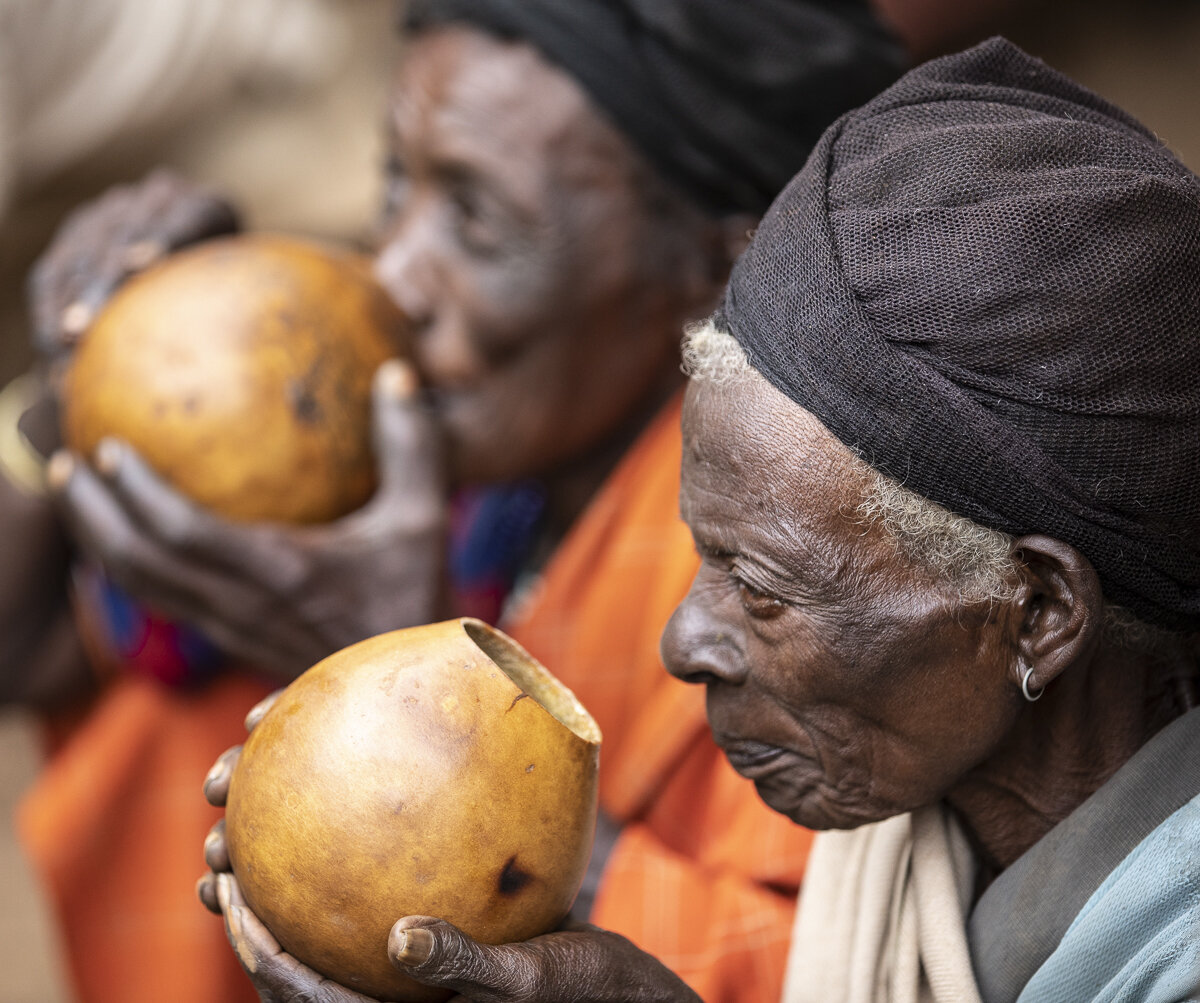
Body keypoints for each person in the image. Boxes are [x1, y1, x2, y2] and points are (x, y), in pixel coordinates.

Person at [201, 36, 1199, 1003]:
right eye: (703, 554)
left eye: (762, 589)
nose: (684, 642)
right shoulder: (923, 835)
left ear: (1038, 614)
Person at [7, 2, 906, 1001]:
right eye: (397, 182)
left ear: (714, 269)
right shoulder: (438, 477)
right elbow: (29, 635)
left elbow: (814, 968)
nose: (391, 272)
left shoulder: (804, 594)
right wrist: (87, 389)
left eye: (476, 221)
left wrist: (413, 679)